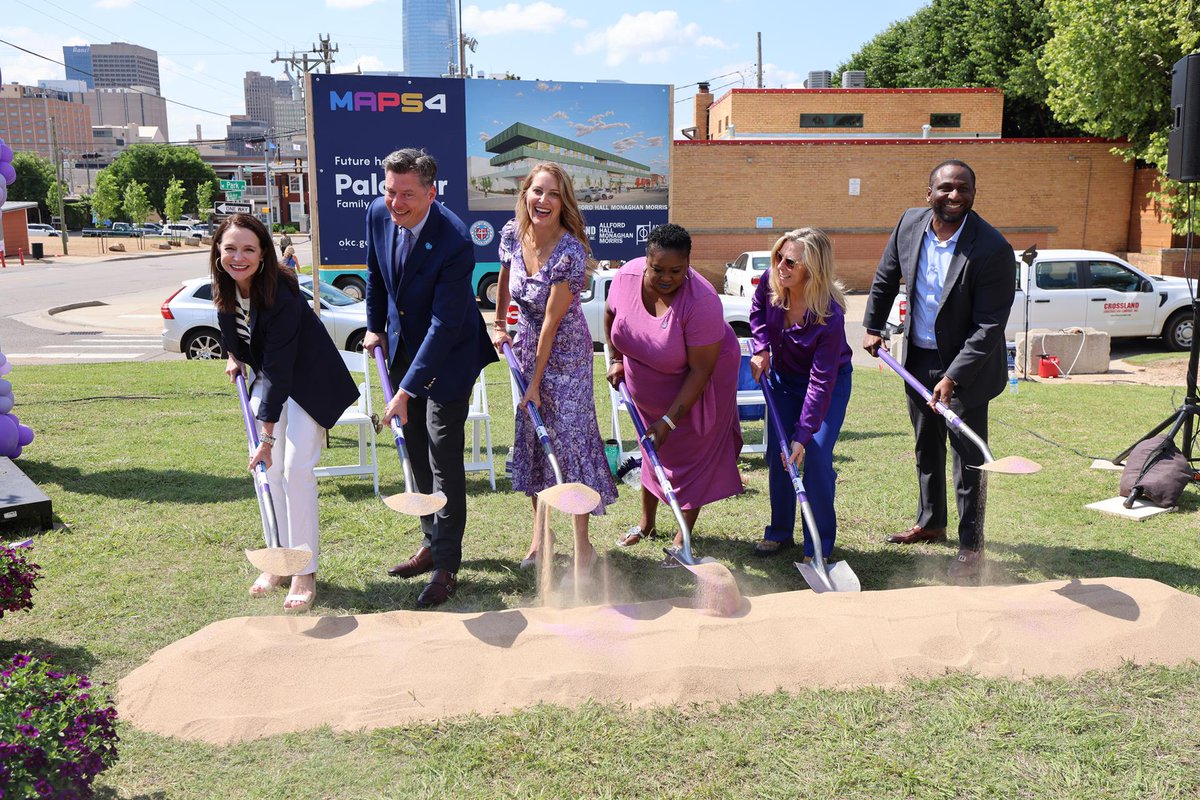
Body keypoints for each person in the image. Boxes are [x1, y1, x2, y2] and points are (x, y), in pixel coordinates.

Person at [861, 159, 1015, 579]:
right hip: (919, 357)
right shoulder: (909, 224)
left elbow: (989, 326)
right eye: (945, 188)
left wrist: (954, 377)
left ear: (973, 194)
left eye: (964, 188)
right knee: (926, 447)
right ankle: (931, 522)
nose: (955, 196)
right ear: (928, 193)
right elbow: (885, 277)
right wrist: (873, 325)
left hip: (968, 367)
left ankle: (971, 545)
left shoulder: (992, 248)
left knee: (968, 460)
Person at [364, 148, 498, 608]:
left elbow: (444, 326)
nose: (395, 203)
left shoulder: (455, 240)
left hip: (448, 358)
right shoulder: (378, 213)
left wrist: (404, 391)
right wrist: (375, 326)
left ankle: (446, 565)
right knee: (416, 452)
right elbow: (376, 277)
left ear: (431, 193)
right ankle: (429, 541)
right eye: (389, 191)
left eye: (407, 195)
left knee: (442, 456)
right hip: (404, 350)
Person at [213, 213, 359, 613]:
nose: (238, 257)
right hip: (270, 382)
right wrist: (233, 356)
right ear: (218, 253)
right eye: (230, 249)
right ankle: (277, 560)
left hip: (307, 385)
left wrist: (267, 438)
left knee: (295, 470)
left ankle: (303, 571)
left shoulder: (281, 295)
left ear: (262, 255)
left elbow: (280, 369)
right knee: (269, 473)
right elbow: (237, 334)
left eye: (248, 249)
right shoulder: (224, 288)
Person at [491, 163, 618, 578]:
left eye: (553, 194)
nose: (543, 201)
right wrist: (498, 324)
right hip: (526, 344)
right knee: (533, 438)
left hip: (565, 354)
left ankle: (584, 549)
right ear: (525, 194)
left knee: (570, 441)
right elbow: (505, 278)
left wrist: (534, 383)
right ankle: (540, 537)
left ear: (564, 203)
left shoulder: (570, 252)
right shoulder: (512, 234)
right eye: (537, 191)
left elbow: (550, 321)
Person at [604, 223, 743, 562]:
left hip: (701, 378)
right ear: (645, 261)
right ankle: (647, 524)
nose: (666, 278)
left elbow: (701, 369)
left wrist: (668, 420)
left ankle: (682, 537)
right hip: (646, 378)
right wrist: (617, 358)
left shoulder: (703, 300)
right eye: (657, 269)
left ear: (688, 265)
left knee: (692, 453)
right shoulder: (625, 278)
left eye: (676, 271)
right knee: (651, 451)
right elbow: (610, 317)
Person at [748, 228, 853, 563]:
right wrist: (762, 347)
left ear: (814, 268)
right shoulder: (771, 281)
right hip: (783, 380)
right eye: (779, 256)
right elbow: (757, 314)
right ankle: (780, 532)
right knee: (779, 455)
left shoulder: (830, 315)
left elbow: (821, 382)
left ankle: (818, 545)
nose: (781, 265)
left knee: (816, 456)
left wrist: (803, 435)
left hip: (827, 386)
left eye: (791, 261)